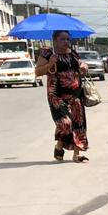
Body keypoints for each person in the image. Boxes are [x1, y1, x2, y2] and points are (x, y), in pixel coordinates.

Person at [35, 29, 89, 163]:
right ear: (54, 40)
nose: (66, 42)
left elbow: (81, 65)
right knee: (65, 123)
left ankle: (76, 154)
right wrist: (50, 63)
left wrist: (84, 66)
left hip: (75, 94)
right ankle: (59, 146)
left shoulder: (73, 54)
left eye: (68, 39)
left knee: (78, 123)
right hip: (56, 95)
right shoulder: (47, 54)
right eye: (62, 39)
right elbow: (38, 72)